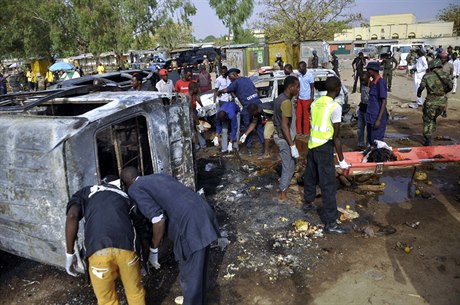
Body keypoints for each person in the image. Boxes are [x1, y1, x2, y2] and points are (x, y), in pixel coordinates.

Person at [120, 168, 222, 305]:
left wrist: (154, 250)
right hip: (202, 211)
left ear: (126, 184)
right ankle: (196, 299)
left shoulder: (134, 189)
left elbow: (158, 219)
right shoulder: (158, 177)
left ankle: (192, 301)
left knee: (191, 271)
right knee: (198, 266)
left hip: (190, 223)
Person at [65, 176, 147, 305]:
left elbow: (72, 216)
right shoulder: (126, 197)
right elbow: (140, 228)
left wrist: (70, 254)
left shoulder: (86, 192)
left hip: (97, 251)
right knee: (135, 292)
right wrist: (144, 258)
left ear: (102, 182)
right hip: (127, 249)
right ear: (120, 186)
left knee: (106, 300)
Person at [303, 76, 349, 234]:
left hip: (312, 145)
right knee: (328, 184)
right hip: (324, 147)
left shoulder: (316, 102)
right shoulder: (335, 107)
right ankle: (331, 222)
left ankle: (308, 203)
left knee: (310, 176)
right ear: (337, 89)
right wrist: (342, 160)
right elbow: (336, 137)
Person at [217, 68, 264, 155]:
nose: (229, 79)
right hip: (258, 104)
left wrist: (219, 91)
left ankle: (249, 149)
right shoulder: (247, 79)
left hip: (248, 107)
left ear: (234, 75)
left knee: (248, 126)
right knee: (259, 126)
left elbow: (227, 90)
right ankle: (263, 147)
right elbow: (256, 91)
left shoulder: (235, 83)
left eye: (229, 76)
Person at [273, 76, 300, 202]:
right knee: (287, 165)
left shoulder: (280, 98)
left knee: (292, 163)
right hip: (284, 138)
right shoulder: (286, 102)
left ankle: (286, 185)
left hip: (283, 136)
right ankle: (282, 193)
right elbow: (284, 126)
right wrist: (292, 145)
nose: (298, 89)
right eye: (297, 87)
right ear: (291, 87)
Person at [417, 59, 452, 146]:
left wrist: (419, 93)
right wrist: (443, 92)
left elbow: (421, 86)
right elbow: (451, 87)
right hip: (442, 102)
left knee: (427, 119)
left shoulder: (427, 76)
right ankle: (430, 133)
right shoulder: (446, 75)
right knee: (433, 118)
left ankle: (428, 138)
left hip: (431, 102)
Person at [365, 62, 388, 145]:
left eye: (368, 70)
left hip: (377, 118)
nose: (367, 72)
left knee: (377, 142)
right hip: (371, 117)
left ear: (372, 71)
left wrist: (378, 120)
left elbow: (384, 102)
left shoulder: (380, 83)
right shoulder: (373, 83)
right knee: (370, 140)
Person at [296, 61, 315, 136]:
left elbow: (312, 88)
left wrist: (311, 99)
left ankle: (306, 132)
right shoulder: (299, 75)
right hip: (300, 98)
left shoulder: (309, 76)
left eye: (300, 68)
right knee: (298, 116)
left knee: (306, 117)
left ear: (304, 67)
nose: (299, 69)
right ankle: (299, 131)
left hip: (307, 99)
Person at [357, 71, 371, 149]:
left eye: (364, 80)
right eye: (361, 80)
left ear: (368, 78)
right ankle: (360, 144)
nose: (362, 82)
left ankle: (369, 145)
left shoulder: (372, 86)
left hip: (368, 110)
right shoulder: (362, 85)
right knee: (360, 129)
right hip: (361, 109)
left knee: (368, 130)